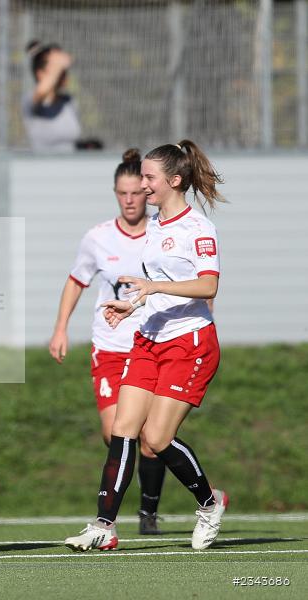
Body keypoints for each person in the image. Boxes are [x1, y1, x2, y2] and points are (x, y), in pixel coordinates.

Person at [65, 140, 228, 553]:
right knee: (123, 429)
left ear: (174, 181)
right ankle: (104, 524)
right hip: (148, 337)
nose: (143, 185)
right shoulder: (155, 224)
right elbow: (155, 282)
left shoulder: (198, 229)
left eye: (150, 178)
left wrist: (153, 286)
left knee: (156, 438)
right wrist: (133, 301)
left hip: (189, 343)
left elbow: (208, 285)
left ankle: (209, 504)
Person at [48, 149, 167, 535]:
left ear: (147, 192)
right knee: (115, 432)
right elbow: (76, 281)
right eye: (122, 193)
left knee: (150, 440)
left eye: (136, 192)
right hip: (111, 348)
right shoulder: (98, 237)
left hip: (151, 344)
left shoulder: (162, 234)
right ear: (115, 193)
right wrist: (61, 328)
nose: (130, 200)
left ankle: (148, 511)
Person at [21, 41, 101, 153]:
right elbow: (42, 91)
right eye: (55, 69)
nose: (62, 72)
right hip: (43, 166)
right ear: (40, 74)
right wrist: (58, 62)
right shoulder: (29, 100)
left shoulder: (68, 101)